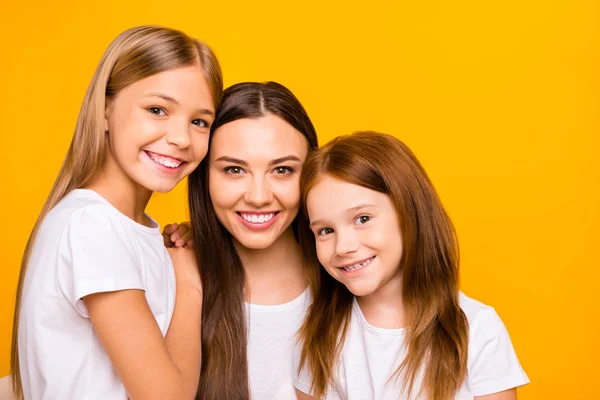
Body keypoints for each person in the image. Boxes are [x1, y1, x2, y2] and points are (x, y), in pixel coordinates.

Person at [8, 25, 223, 400]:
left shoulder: (125, 229)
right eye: (157, 110)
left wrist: (177, 253)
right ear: (105, 111)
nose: (182, 138)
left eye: (199, 122)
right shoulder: (93, 226)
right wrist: (189, 282)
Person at [295, 131, 529, 399]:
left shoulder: (477, 328)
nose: (343, 246)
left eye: (362, 219)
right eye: (325, 231)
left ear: (410, 212)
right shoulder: (321, 332)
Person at [187, 81, 318, 399]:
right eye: (234, 169)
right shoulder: (175, 279)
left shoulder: (354, 284)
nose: (258, 197)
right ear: (204, 176)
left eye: (283, 170)